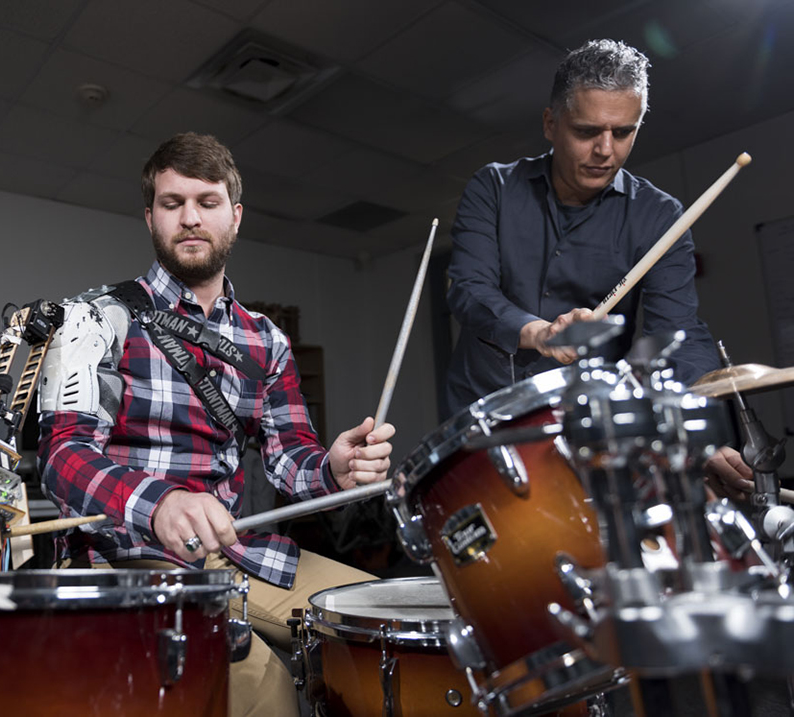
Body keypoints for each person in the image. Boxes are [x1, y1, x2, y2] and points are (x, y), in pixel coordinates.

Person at [37, 132, 395, 717]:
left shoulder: (267, 341)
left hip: (235, 548)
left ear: (236, 216)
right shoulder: (98, 318)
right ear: (150, 216)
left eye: (207, 202)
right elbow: (63, 457)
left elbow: (291, 460)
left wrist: (334, 467)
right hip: (128, 554)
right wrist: (159, 503)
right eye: (172, 203)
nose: (190, 218)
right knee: (262, 691)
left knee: (389, 621)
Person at [444, 38, 721, 416]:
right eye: (587, 131)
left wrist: (698, 413)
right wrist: (538, 332)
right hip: (485, 410)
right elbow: (469, 291)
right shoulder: (494, 187)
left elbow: (677, 333)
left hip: (588, 418)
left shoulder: (660, 217)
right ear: (550, 124)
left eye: (623, 132)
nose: (606, 150)